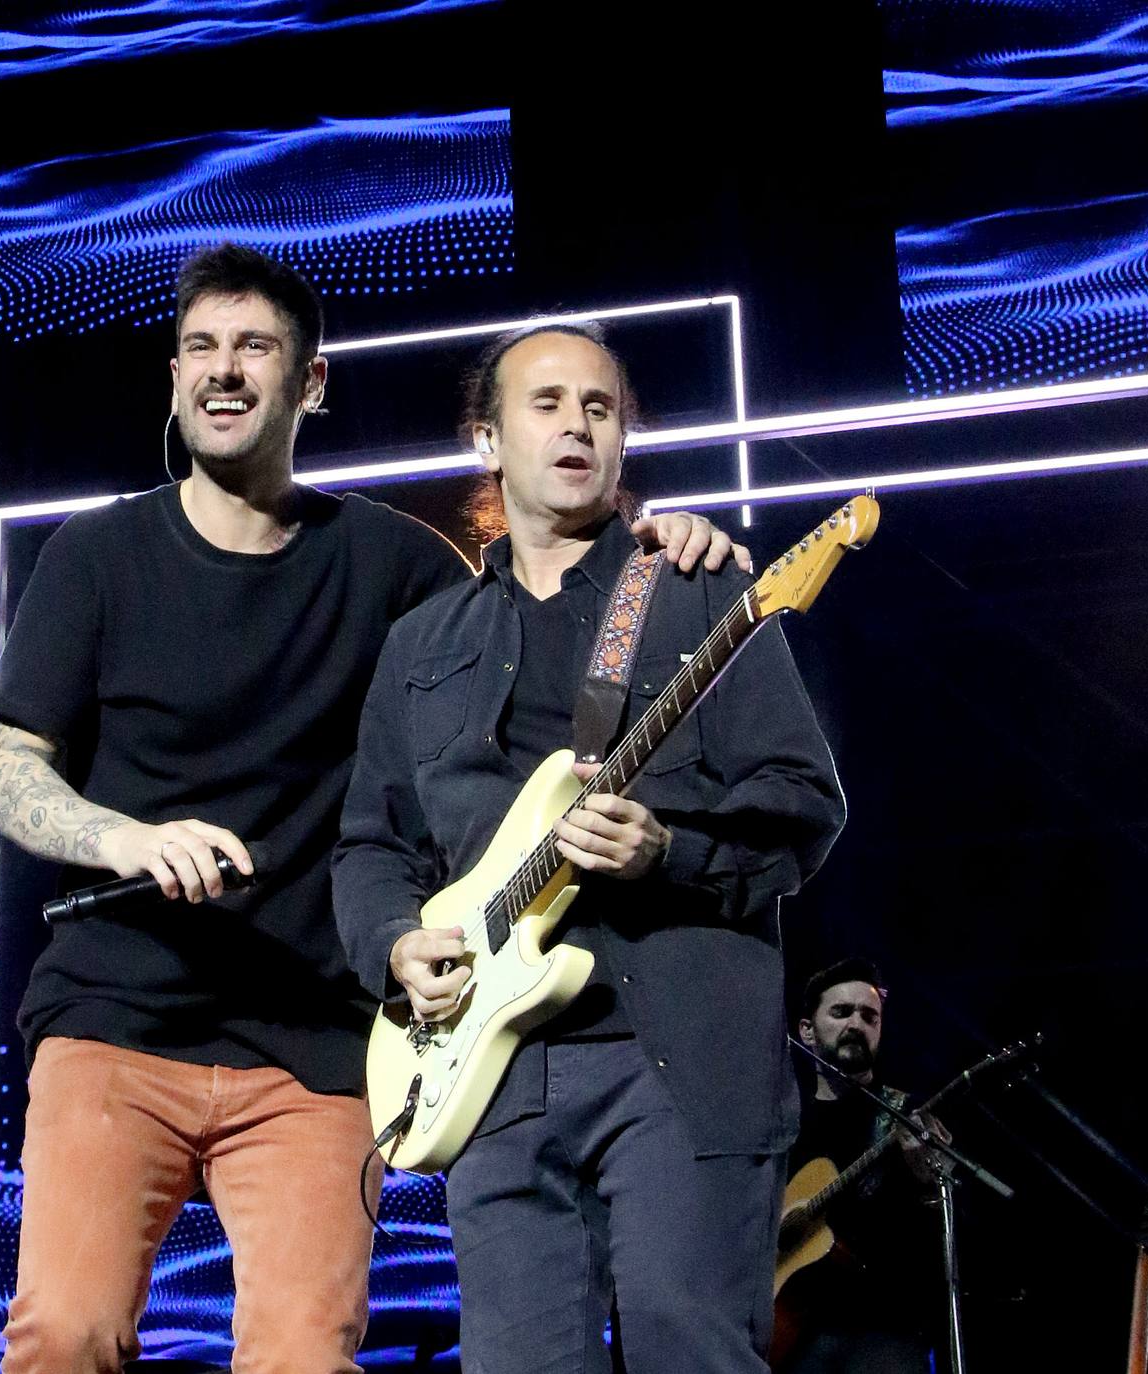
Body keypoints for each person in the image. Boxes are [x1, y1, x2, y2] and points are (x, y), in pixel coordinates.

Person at [0, 245, 741, 1374]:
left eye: (254, 349)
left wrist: (653, 552)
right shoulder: (97, 553)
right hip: (115, 1022)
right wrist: (123, 836)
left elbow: (537, 618)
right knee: (65, 1336)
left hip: (323, 1043)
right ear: (173, 378)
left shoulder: (394, 567)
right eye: (200, 349)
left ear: (310, 384)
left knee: (306, 1356)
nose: (222, 373)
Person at [334, 321, 847, 1373]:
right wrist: (395, 943)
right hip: (492, 1071)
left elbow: (802, 803)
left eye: (600, 407)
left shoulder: (697, 588)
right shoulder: (422, 646)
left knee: (685, 1344)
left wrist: (669, 847)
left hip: (678, 1055)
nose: (576, 423)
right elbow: (370, 845)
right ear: (488, 439)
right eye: (547, 403)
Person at [779, 960, 947, 1374]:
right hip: (788, 1331)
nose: (857, 1023)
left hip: (882, 1333)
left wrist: (927, 1183)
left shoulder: (902, 1115)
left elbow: (939, 1245)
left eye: (869, 1016)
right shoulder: (780, 1123)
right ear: (806, 1030)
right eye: (841, 1012)